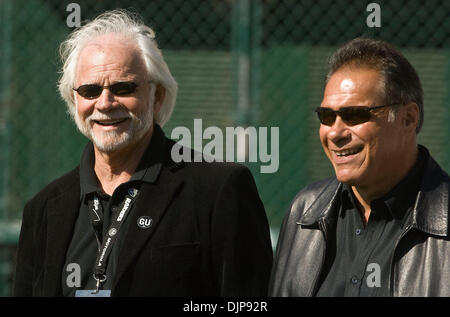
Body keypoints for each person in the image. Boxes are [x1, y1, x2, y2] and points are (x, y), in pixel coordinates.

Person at [13, 9, 272, 297]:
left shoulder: (218, 190)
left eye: (124, 88)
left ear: (157, 96)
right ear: (73, 101)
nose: (105, 103)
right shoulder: (44, 209)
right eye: (90, 91)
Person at [269, 38, 450, 296]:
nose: (335, 133)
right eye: (327, 117)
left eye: (354, 115)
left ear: (408, 118)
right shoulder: (304, 213)